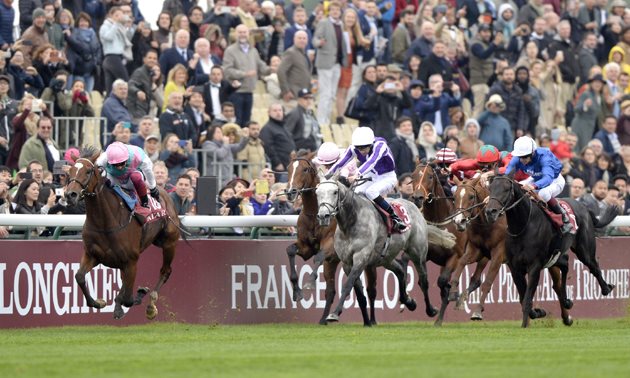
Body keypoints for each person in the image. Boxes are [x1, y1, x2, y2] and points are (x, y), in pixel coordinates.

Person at [325, 127, 406, 232]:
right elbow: (340, 163)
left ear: (371, 143)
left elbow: (371, 162)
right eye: (358, 148)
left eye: (364, 148)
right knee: (355, 193)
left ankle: (395, 217)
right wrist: (326, 178)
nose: (361, 151)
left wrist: (357, 174)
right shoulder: (353, 148)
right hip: (371, 174)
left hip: (387, 176)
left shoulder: (380, 146)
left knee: (371, 192)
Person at [504, 136, 572, 234]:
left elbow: (548, 178)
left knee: (543, 193)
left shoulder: (545, 157)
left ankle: (564, 218)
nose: (522, 160)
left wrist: (534, 186)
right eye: (520, 157)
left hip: (554, 180)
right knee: (518, 188)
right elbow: (507, 174)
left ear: (532, 152)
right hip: (535, 178)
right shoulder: (518, 158)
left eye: (525, 157)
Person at [95, 141, 159, 209]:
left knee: (135, 177)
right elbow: (96, 170)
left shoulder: (138, 155)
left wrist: (153, 188)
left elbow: (148, 171)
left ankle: (144, 202)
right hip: (114, 178)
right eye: (115, 165)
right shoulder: (103, 158)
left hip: (132, 179)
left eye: (122, 163)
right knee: (102, 176)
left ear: (127, 157)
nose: (119, 167)